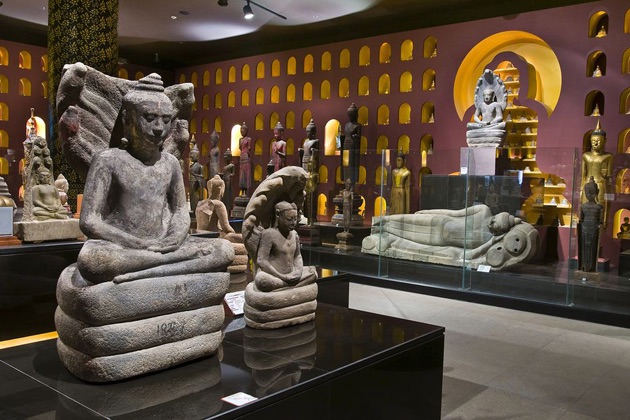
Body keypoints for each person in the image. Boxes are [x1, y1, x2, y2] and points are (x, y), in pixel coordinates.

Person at [77, 74, 233, 284]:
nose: (159, 127)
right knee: (92, 261)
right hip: (121, 247)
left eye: (166, 120)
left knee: (224, 249)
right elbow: (89, 221)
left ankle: (148, 271)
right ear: (127, 119)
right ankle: (168, 268)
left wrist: (175, 236)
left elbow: (180, 210)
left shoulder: (170, 163)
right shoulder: (108, 160)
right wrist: (136, 243)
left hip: (164, 245)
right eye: (149, 118)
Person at [362, 204, 538, 270]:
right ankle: (378, 228)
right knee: (396, 221)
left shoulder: (486, 239)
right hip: (439, 221)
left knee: (408, 235)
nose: (491, 225)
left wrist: (491, 242)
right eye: (494, 221)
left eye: (495, 227)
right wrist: (428, 211)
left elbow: (470, 254)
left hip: (438, 240)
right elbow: (454, 213)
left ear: (499, 232)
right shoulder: (483, 210)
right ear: (497, 214)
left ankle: (383, 237)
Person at [254, 201, 317, 292]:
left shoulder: (294, 234)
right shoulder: (269, 234)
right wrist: (282, 276)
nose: (293, 223)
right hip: (275, 275)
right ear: (278, 215)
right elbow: (261, 260)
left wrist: (298, 272)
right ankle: (289, 285)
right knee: (262, 281)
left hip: (292, 273)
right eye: (289, 219)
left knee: (313, 272)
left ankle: (285, 286)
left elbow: (297, 256)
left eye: (295, 219)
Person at [581, 120, 612, 227]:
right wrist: (581, 189)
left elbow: (609, 178)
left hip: (601, 185)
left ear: (604, 141)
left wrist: (605, 175)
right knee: (585, 210)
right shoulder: (586, 156)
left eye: (598, 141)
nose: (595, 143)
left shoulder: (608, 157)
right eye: (593, 141)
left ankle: (600, 228)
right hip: (586, 185)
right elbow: (583, 175)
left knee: (599, 211)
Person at [578, 177, 603, 272]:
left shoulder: (599, 207)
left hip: (594, 229)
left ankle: (591, 267)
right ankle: (585, 266)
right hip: (584, 229)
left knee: (593, 248)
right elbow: (581, 220)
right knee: (584, 248)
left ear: (597, 192)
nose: (589, 194)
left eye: (592, 192)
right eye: (587, 192)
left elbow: (600, 221)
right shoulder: (583, 206)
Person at [341, 103, 361, 187]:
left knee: (352, 165)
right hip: (345, 146)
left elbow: (359, 138)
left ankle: (351, 184)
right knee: (345, 165)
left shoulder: (358, 125)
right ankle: (346, 183)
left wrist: (355, 137)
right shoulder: (346, 125)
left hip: (353, 147)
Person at [188, 142, 204, 212]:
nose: (191, 158)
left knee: (195, 197)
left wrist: (195, 174)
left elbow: (202, 176)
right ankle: (192, 210)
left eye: (192, 156)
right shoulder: (191, 166)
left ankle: (196, 211)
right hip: (191, 182)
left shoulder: (200, 166)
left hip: (196, 183)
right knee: (191, 197)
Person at [238, 123, 252, 196]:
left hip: (246, 157)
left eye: (243, 131)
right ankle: (242, 191)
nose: (241, 132)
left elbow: (249, 148)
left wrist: (248, 150)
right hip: (242, 157)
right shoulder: (240, 139)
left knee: (246, 174)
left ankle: (245, 192)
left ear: (246, 131)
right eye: (241, 131)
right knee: (241, 175)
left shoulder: (248, 139)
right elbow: (240, 147)